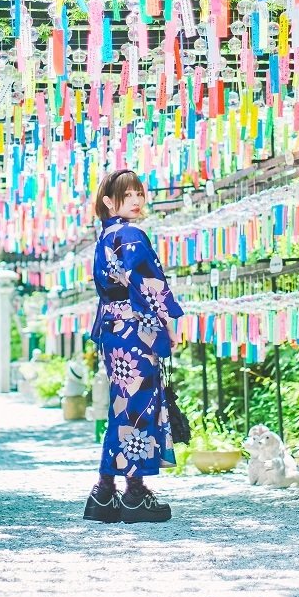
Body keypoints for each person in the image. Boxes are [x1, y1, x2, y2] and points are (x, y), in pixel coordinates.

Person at [83, 168, 184, 524]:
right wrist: (167, 322)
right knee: (138, 406)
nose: (138, 201)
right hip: (135, 331)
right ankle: (136, 492)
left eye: (140, 194)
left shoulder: (103, 239)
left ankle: (105, 492)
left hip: (112, 329)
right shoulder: (132, 235)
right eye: (129, 196)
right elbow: (148, 284)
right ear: (110, 202)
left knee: (122, 406)